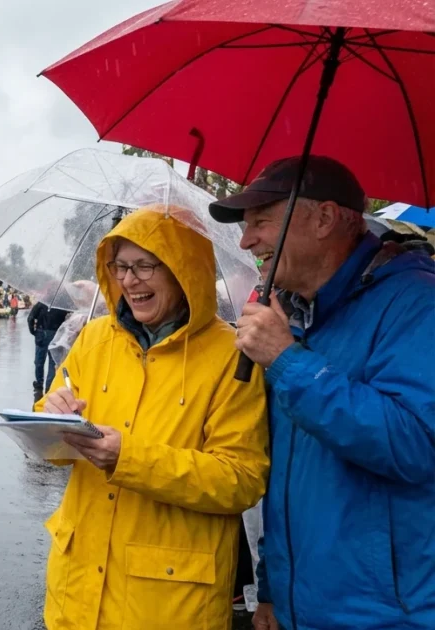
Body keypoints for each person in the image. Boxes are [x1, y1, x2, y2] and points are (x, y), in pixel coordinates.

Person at [208, 156, 435, 630]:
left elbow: (415, 444)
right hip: (300, 606)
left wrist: (287, 362)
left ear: (326, 218)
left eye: (262, 222)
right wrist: (269, 585)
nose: (247, 241)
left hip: (386, 614)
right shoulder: (297, 313)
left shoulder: (417, 302)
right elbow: (289, 474)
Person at [36, 206, 269, 629]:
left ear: (184, 270)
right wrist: (50, 416)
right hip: (75, 594)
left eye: (145, 265)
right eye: (121, 266)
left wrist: (129, 459)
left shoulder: (231, 356)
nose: (128, 280)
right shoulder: (93, 338)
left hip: (169, 605)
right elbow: (51, 439)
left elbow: (241, 480)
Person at [28, 298, 69, 395]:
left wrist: (33, 332)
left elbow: (30, 318)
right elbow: (67, 321)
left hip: (41, 334)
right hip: (56, 335)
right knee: (52, 362)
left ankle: (39, 383)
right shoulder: (62, 306)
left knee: (39, 361)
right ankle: (49, 386)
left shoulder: (42, 303)